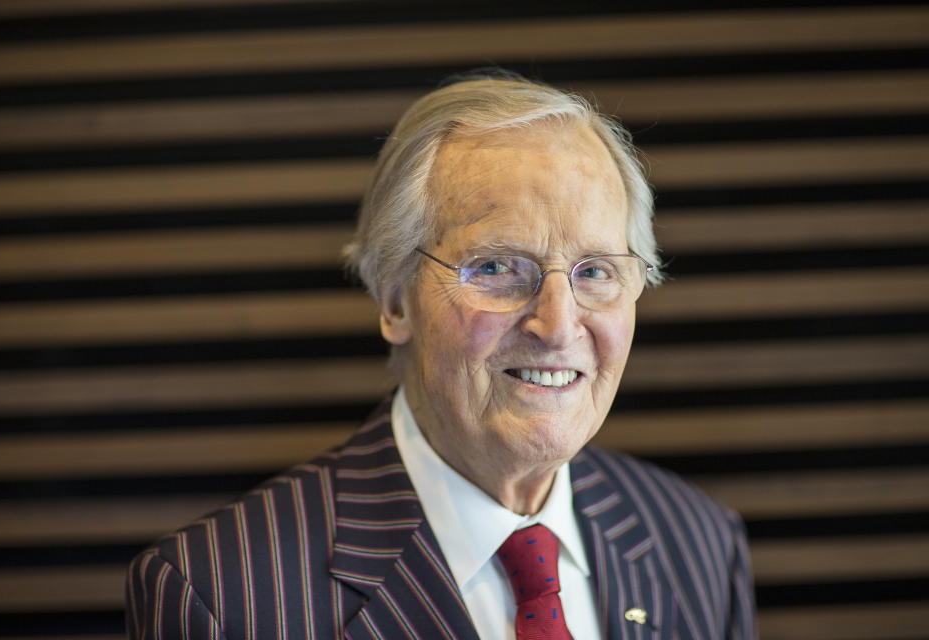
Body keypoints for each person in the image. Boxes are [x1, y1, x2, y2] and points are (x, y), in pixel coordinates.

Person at [127, 71, 757, 639]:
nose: (558, 324)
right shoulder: (218, 595)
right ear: (396, 300)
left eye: (594, 270)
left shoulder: (698, 541)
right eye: (496, 267)